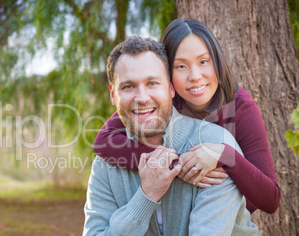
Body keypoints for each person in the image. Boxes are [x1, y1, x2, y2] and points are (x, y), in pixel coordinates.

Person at [81, 36, 277, 236]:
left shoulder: (214, 145)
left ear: (171, 89)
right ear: (114, 95)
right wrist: (147, 195)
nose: (142, 97)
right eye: (128, 86)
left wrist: (220, 157)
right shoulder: (106, 164)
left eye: (152, 83)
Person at [93, 18, 280, 214]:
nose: (195, 76)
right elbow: (103, 141)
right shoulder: (161, 101)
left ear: (217, 61)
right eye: (181, 66)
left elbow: (270, 199)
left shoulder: (241, 107)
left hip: (224, 219)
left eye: (203, 61)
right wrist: (180, 164)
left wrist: (224, 155)